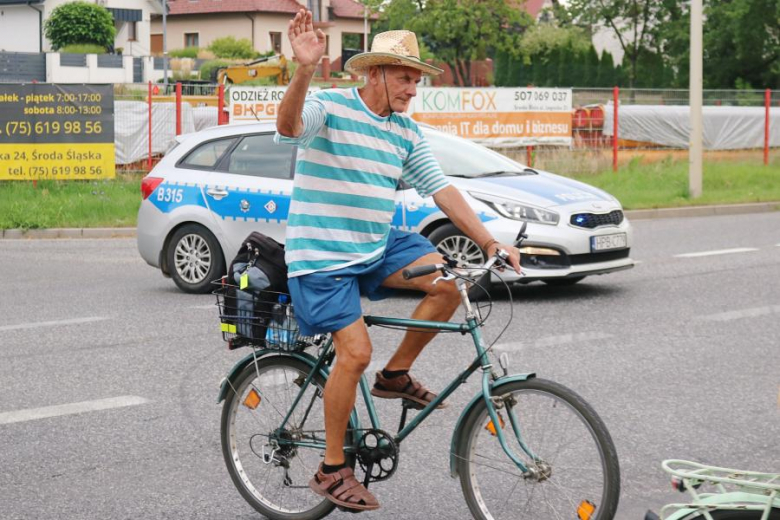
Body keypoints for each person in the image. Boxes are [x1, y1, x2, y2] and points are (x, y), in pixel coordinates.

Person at [275, 9, 521, 512]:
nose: (413, 89)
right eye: (405, 78)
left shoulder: (405, 132)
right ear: (375, 73)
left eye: (416, 80)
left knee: (451, 282)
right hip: (322, 257)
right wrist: (303, 69)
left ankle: (395, 377)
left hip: (373, 245)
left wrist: (489, 242)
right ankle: (331, 468)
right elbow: (289, 126)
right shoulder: (331, 107)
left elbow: (442, 189)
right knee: (355, 352)